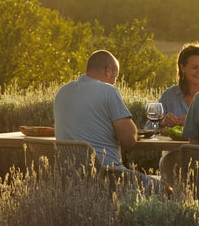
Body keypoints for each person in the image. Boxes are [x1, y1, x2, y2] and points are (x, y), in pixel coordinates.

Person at [53, 49, 165, 194]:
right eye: (116, 77)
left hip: (69, 178)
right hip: (108, 176)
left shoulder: (63, 91)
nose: (114, 82)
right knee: (167, 190)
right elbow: (129, 140)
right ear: (108, 70)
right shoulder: (108, 91)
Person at [159, 43, 199, 127]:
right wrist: (162, 122)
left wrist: (194, 123)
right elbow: (149, 126)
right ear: (182, 68)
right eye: (194, 67)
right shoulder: (168, 96)